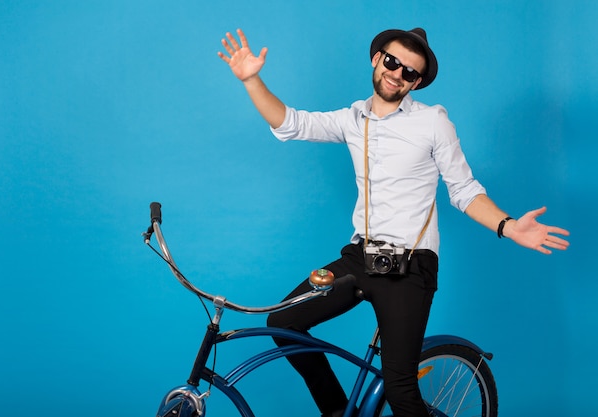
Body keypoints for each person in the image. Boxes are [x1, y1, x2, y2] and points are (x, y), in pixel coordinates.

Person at [218, 27, 570, 417]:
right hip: (359, 259)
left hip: (411, 267)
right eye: (392, 62)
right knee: (283, 323)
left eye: (409, 73)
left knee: (401, 391)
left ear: (416, 82)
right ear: (377, 58)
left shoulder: (433, 122)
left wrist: (508, 226)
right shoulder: (352, 117)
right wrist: (251, 80)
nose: (397, 74)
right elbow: (291, 123)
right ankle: (337, 411)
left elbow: (464, 190)